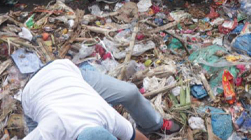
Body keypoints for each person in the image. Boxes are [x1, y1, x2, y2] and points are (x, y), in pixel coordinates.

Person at [21, 59, 166, 140]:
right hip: (33, 92)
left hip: (67, 74)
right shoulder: (50, 132)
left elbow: (134, 136)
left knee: (130, 92)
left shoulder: (107, 117)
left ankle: (153, 124)